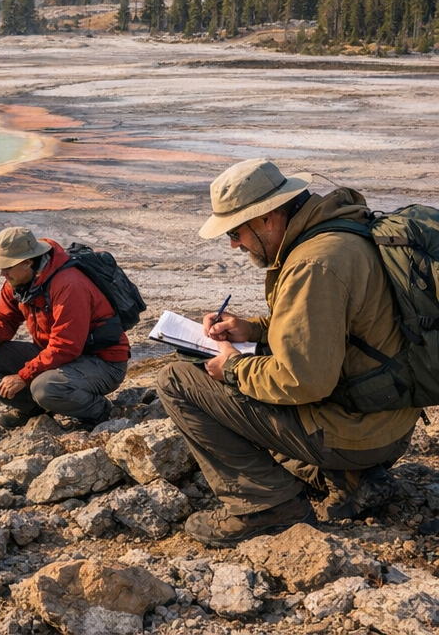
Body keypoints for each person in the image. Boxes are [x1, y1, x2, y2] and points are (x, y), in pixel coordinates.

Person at [157, 158, 421, 547]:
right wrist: (253, 329)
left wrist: (234, 367)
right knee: (251, 400)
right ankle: (352, 478)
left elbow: (303, 381)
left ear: (267, 217)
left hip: (358, 434)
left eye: (235, 231)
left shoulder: (313, 264)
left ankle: (266, 508)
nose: (233, 243)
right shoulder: (341, 230)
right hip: (389, 423)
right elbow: (337, 329)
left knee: (177, 380)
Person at [0, 226, 129, 429]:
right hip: (56, 355)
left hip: (102, 362)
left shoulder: (68, 285)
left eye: (7, 266)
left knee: (45, 388)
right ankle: (34, 411)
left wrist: (23, 376)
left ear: (27, 263)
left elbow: (66, 346)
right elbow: (5, 315)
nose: (2, 273)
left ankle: (98, 411)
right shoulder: (19, 279)